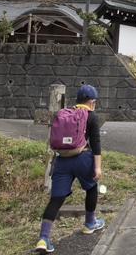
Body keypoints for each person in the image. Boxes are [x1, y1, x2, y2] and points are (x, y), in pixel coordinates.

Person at [35, 85, 104, 254]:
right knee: (91, 187)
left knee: (56, 199)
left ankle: (43, 238)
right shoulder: (92, 116)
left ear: (77, 100)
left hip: (62, 159)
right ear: (92, 102)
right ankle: (89, 223)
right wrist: (98, 167)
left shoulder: (65, 113)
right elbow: (95, 144)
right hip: (83, 158)